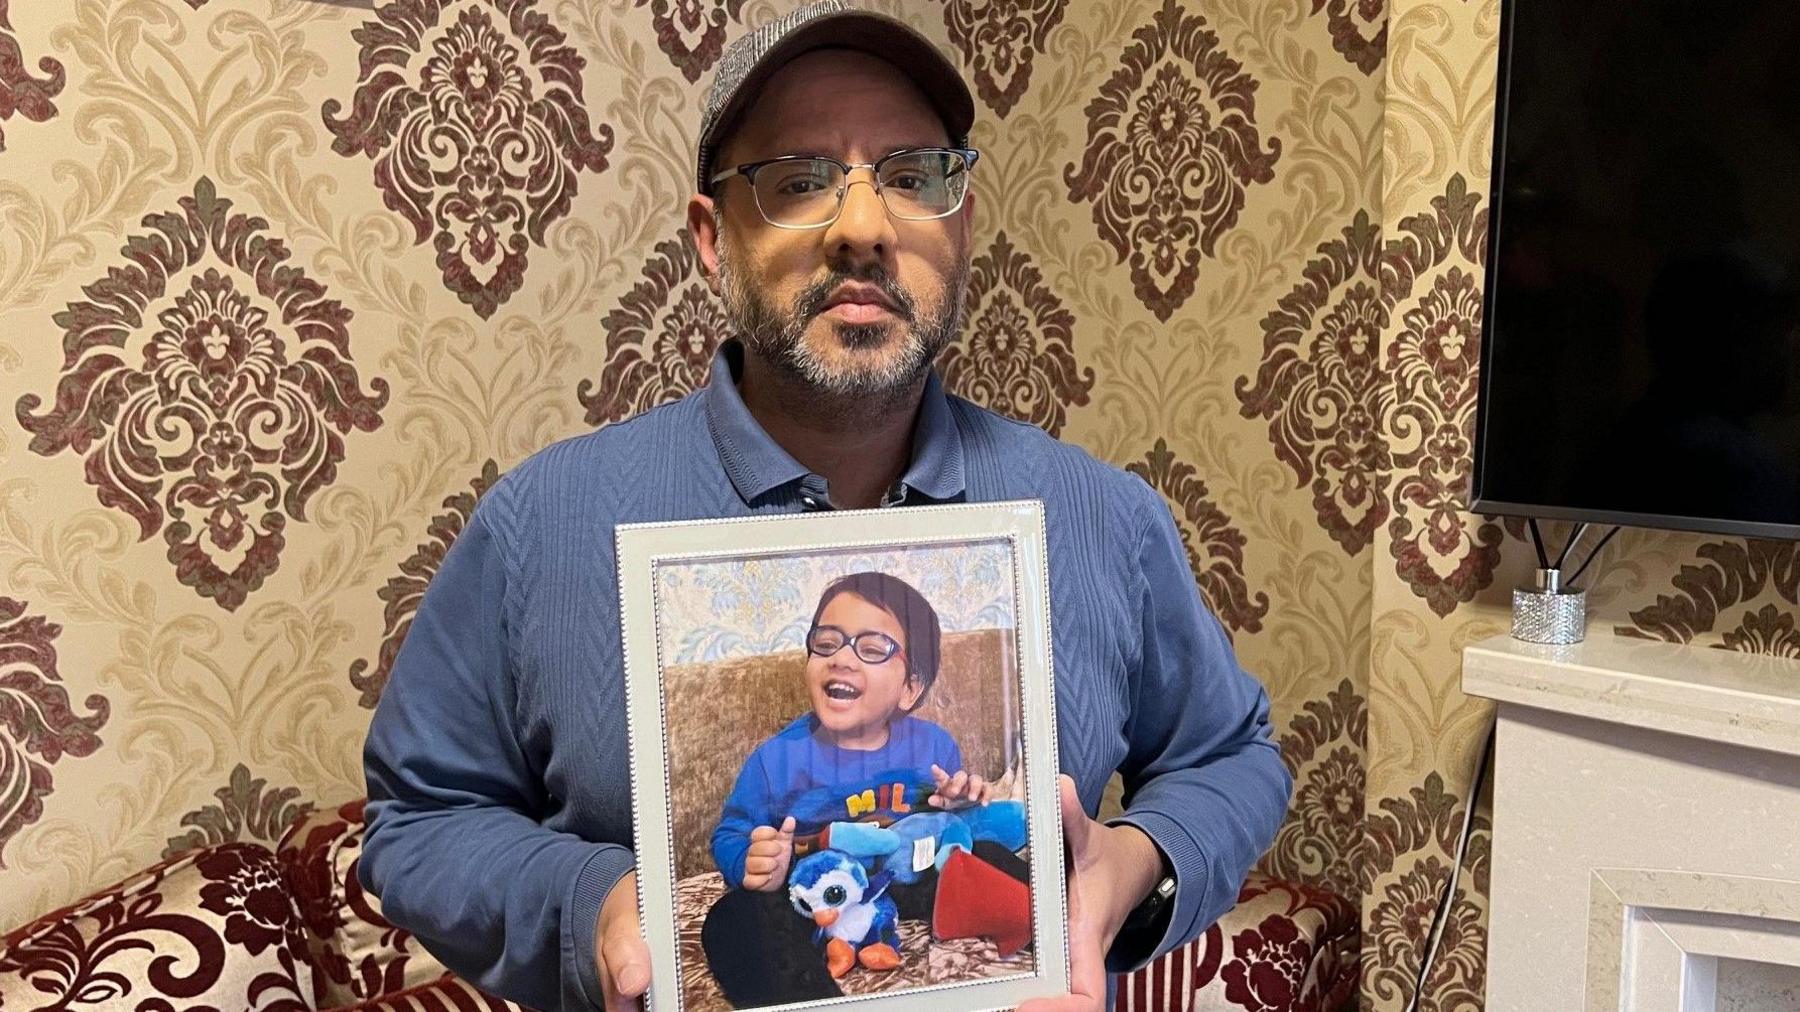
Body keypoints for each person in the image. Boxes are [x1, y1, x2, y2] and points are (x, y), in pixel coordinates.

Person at [358, 4, 1292, 1011]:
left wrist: (1129, 867)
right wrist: (595, 905)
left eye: (911, 176)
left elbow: (1230, 756)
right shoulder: (542, 523)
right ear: (713, 242)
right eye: (800, 180)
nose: (863, 227)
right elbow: (421, 817)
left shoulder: (1102, 516)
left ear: (962, 223)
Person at [702, 570, 1007, 1000]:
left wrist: (961, 803)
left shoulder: (933, 746)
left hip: (906, 885)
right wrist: (754, 862)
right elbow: (731, 834)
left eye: (872, 648)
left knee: (991, 855)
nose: (841, 658)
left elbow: (942, 829)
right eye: (826, 643)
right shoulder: (776, 761)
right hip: (815, 904)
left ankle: (1048, 941)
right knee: (732, 918)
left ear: (909, 689)